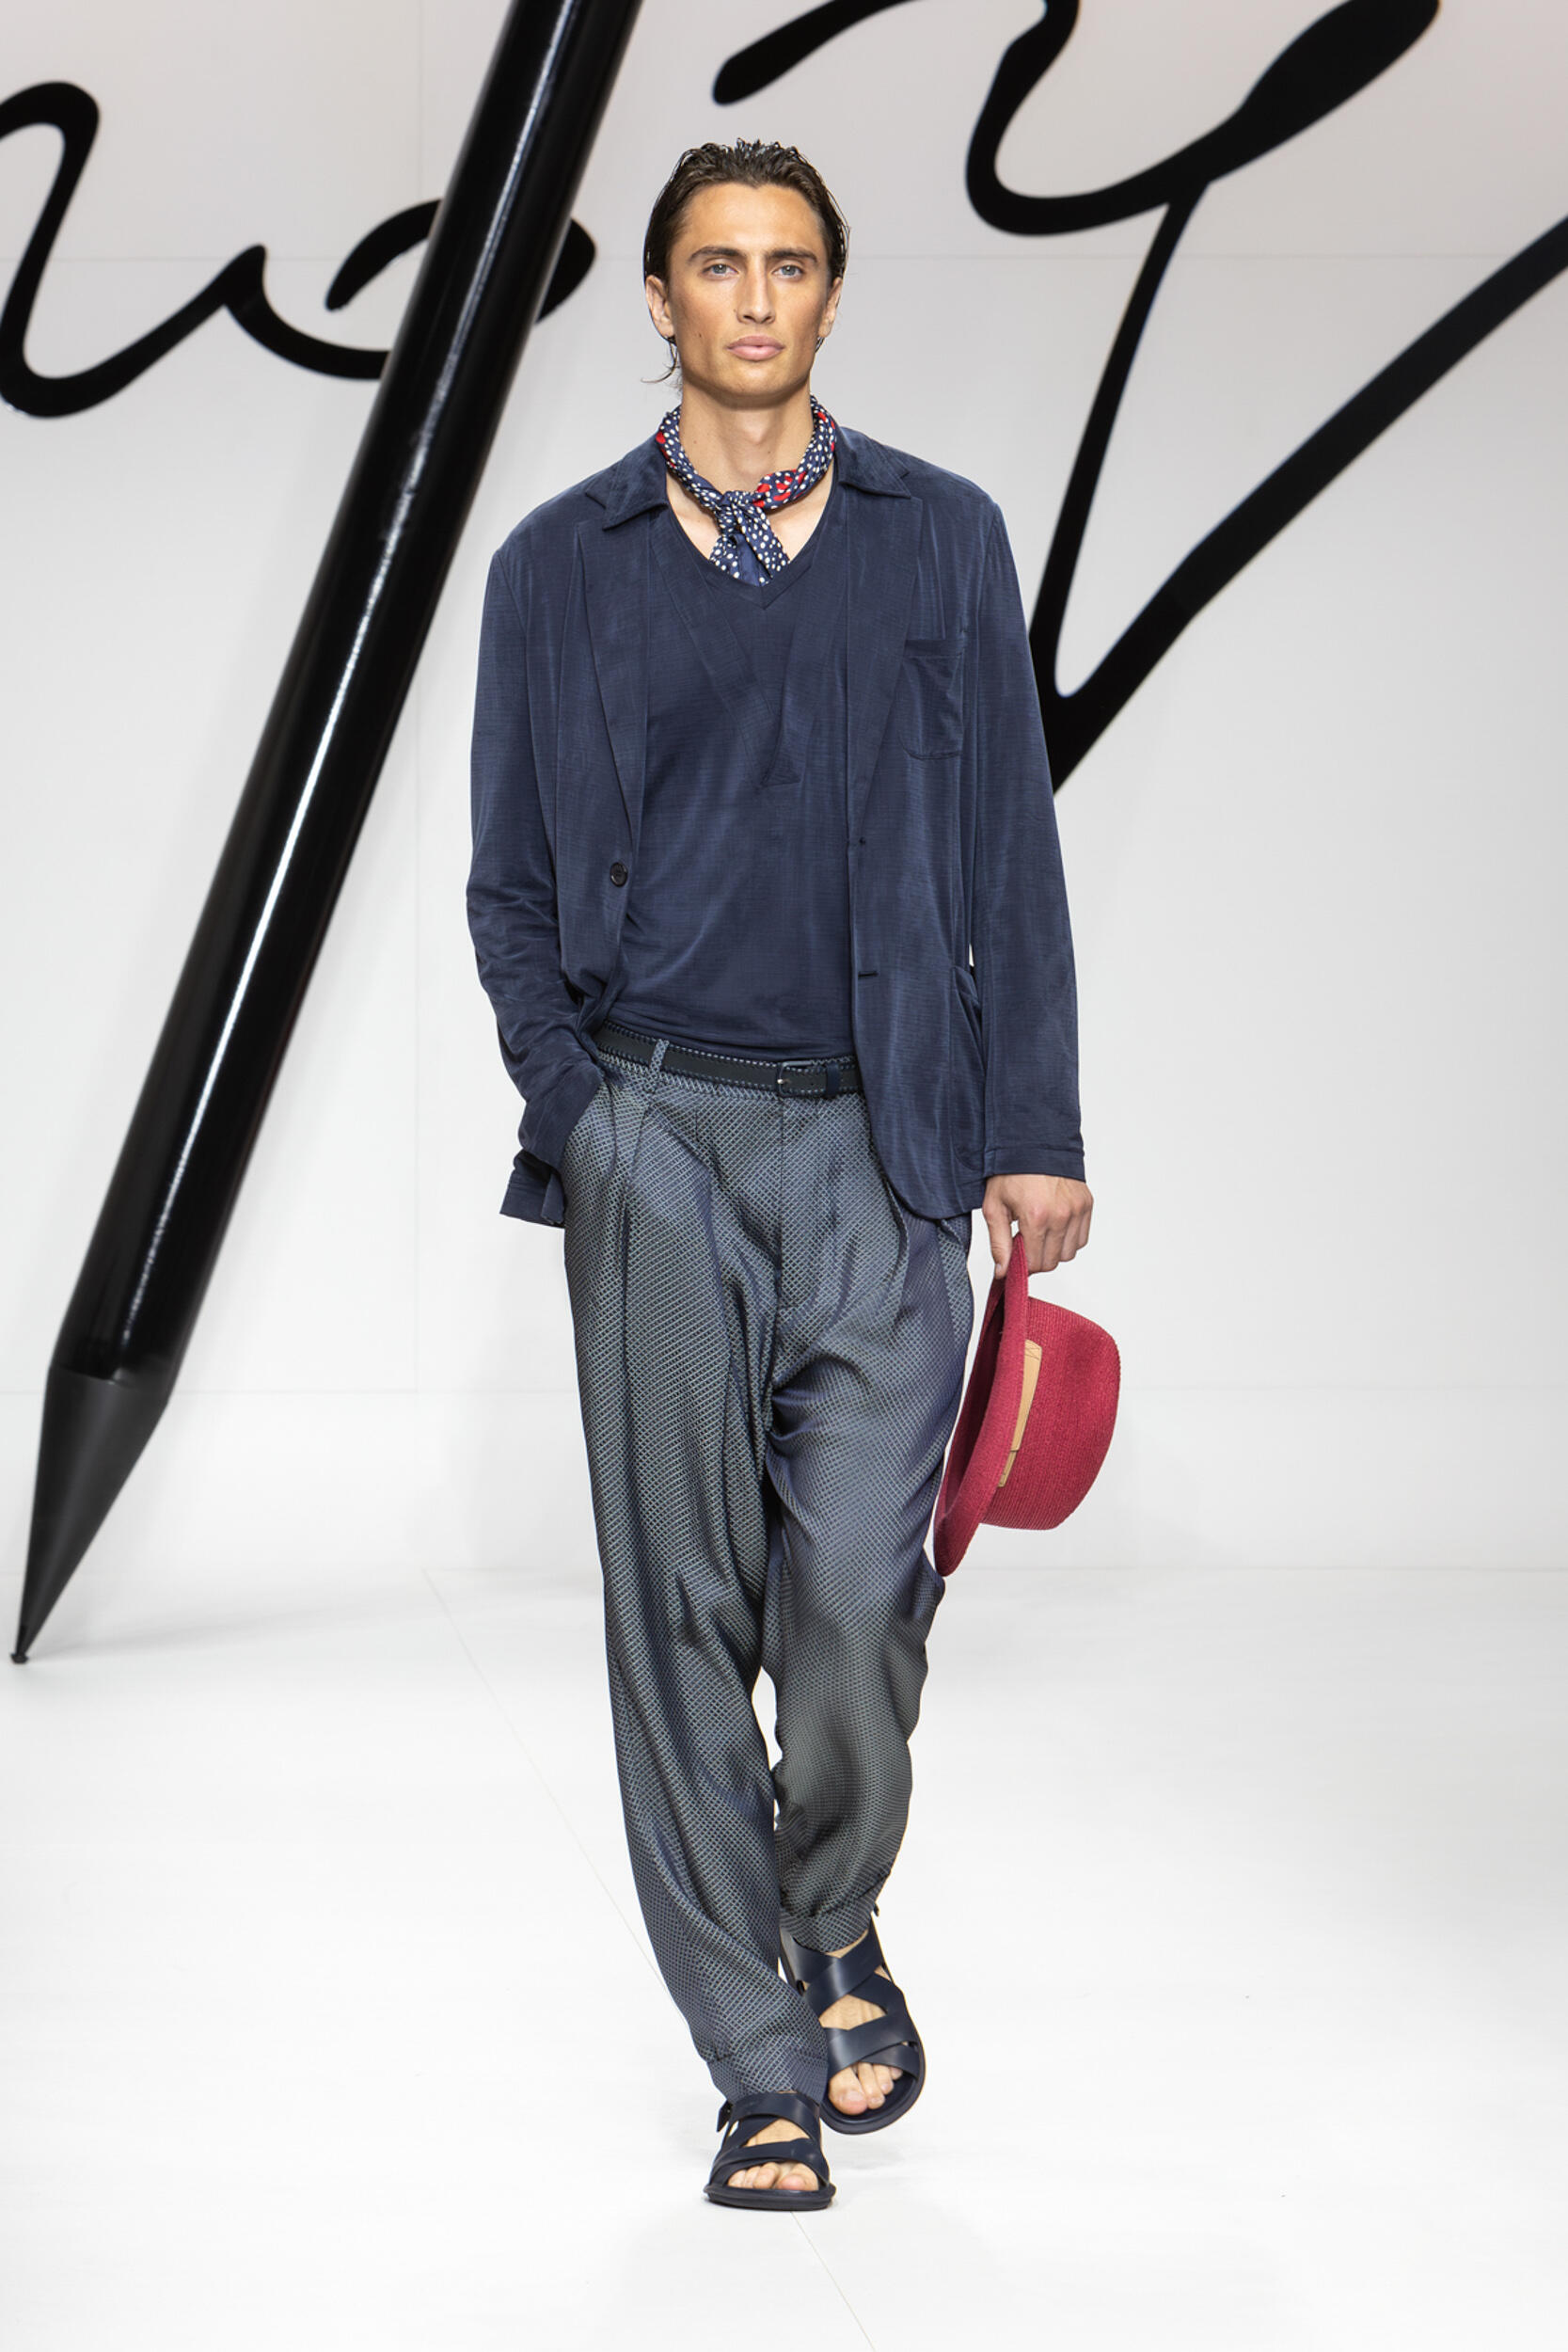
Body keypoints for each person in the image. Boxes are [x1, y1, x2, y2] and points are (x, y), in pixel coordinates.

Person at [467, 137, 1092, 2209]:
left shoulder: (940, 540)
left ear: (830, 294)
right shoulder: (556, 566)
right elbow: (508, 884)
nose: (754, 298)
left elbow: (1010, 848)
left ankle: (828, 1911)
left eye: (790, 263)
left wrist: (1032, 1129)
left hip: (882, 1136)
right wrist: (582, 1116)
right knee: (677, 1605)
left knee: (852, 1600)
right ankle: (757, 2062)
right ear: (659, 299)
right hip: (655, 1133)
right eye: (717, 265)